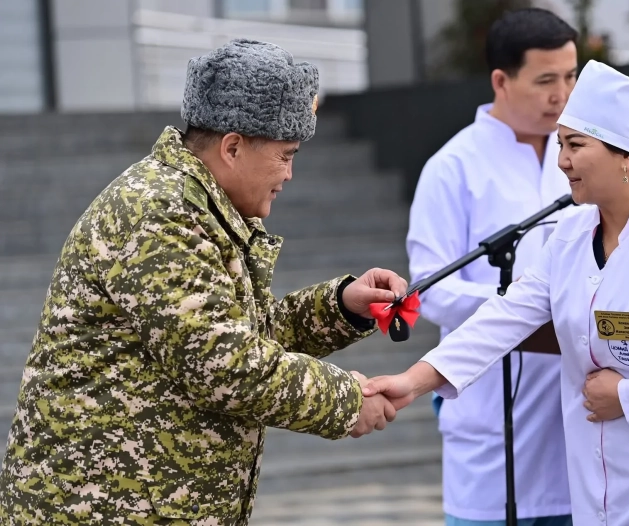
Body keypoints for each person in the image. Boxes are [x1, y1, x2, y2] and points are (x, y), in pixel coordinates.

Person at [0, 39, 407, 525]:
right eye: (285, 155)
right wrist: (345, 401)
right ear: (232, 148)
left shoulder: (197, 206)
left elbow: (236, 337)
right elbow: (222, 365)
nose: (290, 174)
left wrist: (339, 307)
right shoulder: (159, 212)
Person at [365, 60, 629, 525]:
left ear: (628, 155)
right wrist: (411, 382)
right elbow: (502, 319)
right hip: (602, 490)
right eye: (560, 144)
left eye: (576, 145)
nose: (562, 161)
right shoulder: (569, 237)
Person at [406, 8, 578, 526]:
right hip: (491, 415)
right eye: (545, 81)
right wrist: (527, 304)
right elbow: (429, 291)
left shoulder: (582, 159)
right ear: (501, 81)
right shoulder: (452, 167)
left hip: (574, 417)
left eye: (571, 77)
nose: (562, 95)